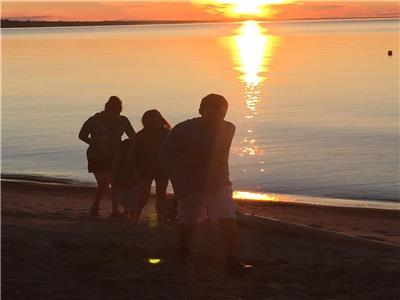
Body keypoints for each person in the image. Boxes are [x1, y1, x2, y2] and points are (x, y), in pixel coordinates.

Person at [159, 93, 252, 275]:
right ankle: (183, 249)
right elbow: (165, 154)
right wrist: (179, 182)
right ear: (201, 111)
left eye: (221, 114)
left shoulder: (229, 128)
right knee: (188, 222)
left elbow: (221, 156)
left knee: (228, 218)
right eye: (211, 114)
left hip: (219, 183)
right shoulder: (182, 129)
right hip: (190, 183)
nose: (216, 118)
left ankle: (231, 260)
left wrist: (223, 180)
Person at [79, 96, 135, 217]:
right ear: (107, 109)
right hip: (96, 155)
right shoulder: (94, 120)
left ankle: (115, 211)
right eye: (113, 113)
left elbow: (133, 136)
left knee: (114, 183)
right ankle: (95, 205)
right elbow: (82, 135)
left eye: (118, 113)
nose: (115, 116)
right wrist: (94, 143)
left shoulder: (123, 120)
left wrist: (126, 146)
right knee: (104, 184)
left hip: (115, 156)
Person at [129, 109, 171, 223]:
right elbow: (132, 154)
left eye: (155, 120)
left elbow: (174, 151)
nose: (153, 123)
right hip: (145, 169)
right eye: (150, 121)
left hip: (162, 169)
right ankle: (135, 214)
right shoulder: (142, 134)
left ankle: (160, 217)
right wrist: (134, 170)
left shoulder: (167, 133)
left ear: (160, 119)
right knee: (143, 196)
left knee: (161, 195)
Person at [112, 139, 140, 221]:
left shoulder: (136, 159)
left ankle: (130, 213)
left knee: (132, 199)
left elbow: (140, 170)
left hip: (134, 183)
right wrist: (114, 180)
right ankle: (128, 211)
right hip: (122, 183)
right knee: (123, 200)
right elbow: (114, 170)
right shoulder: (119, 159)